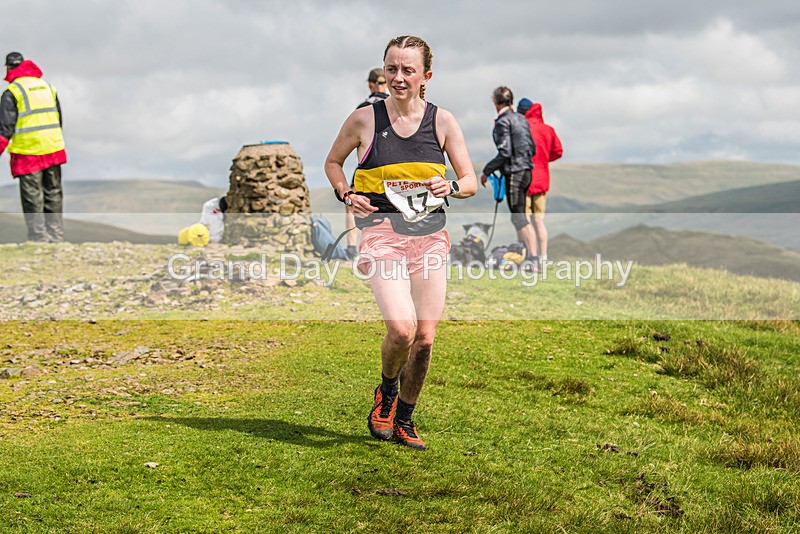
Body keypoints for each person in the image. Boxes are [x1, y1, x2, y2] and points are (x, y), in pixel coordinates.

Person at [324, 35, 477, 450]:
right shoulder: (364, 120)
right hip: (382, 235)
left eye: (408, 70)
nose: (398, 77)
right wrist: (345, 193)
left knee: (425, 337)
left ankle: (406, 418)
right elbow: (333, 162)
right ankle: (387, 392)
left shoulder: (442, 122)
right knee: (401, 328)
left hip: (429, 238)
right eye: (391, 68)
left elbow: (470, 181)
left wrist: (449, 185)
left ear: (426, 76)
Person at [0, 52, 67, 243]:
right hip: (53, 148)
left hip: (29, 151)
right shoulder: (48, 87)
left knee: (32, 196)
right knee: (53, 192)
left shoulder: (12, 92)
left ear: (8, 68)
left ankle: (39, 239)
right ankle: (56, 236)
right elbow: (58, 119)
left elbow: (4, 129)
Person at [479, 87, 537, 268]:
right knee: (519, 215)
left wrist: (487, 171)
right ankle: (525, 255)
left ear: (496, 102)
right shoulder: (521, 119)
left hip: (515, 172)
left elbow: (505, 151)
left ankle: (533, 259)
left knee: (519, 217)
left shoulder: (503, 121)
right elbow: (532, 147)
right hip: (527, 170)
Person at [344, 68, 391, 259]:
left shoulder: (363, 108)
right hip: (397, 165)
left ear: (370, 84)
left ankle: (352, 248)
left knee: (354, 204)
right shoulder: (396, 104)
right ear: (386, 83)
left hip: (368, 164)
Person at [518, 98, 563, 266]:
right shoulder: (548, 129)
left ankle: (531, 256)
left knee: (525, 220)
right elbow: (558, 151)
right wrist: (544, 160)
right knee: (539, 220)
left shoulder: (522, 128)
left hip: (523, 179)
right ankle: (543, 257)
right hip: (542, 180)